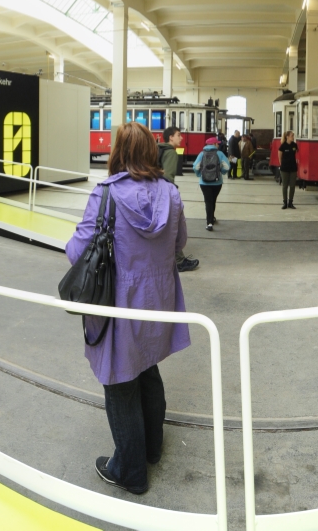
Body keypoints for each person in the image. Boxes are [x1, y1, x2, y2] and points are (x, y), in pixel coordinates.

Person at [64, 122, 189, 496]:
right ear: (152, 151)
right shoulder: (171, 192)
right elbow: (179, 242)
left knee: (119, 382)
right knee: (147, 367)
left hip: (118, 301)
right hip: (159, 299)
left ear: (117, 152)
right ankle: (152, 447)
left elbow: (77, 251)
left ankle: (130, 470)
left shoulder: (106, 194)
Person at [157, 127, 200, 272]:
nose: (181, 138)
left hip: (155, 194)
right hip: (164, 196)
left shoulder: (159, 149)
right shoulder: (170, 153)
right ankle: (179, 261)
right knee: (173, 227)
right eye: (178, 135)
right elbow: (167, 179)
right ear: (171, 138)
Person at [193, 137, 226, 231]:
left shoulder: (201, 154)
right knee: (213, 200)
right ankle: (212, 218)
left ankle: (209, 223)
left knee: (208, 201)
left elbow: (196, 166)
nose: (218, 145)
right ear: (214, 144)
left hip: (204, 182)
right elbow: (227, 166)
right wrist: (222, 172)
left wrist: (200, 174)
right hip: (217, 182)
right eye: (217, 143)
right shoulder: (220, 154)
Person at [278, 131, 300, 209]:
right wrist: (281, 164)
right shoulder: (283, 146)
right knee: (285, 186)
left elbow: (298, 153)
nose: (293, 137)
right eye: (291, 135)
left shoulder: (294, 145)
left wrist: (298, 160)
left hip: (293, 168)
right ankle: (285, 202)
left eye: (293, 135)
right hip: (284, 168)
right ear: (287, 136)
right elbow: (279, 156)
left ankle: (291, 202)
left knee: (292, 186)